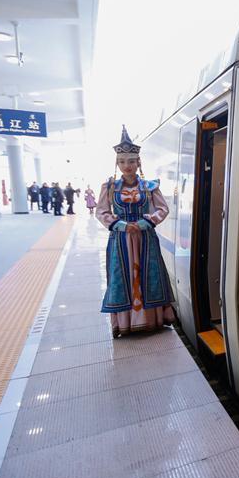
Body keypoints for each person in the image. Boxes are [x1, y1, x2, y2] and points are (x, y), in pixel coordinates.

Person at [97, 126, 175, 337]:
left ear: (138, 162)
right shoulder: (110, 187)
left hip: (145, 238)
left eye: (131, 161)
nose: (127, 166)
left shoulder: (150, 186)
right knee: (122, 278)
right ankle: (125, 324)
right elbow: (101, 211)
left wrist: (145, 222)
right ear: (117, 163)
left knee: (149, 276)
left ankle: (153, 320)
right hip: (121, 239)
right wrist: (121, 225)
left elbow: (163, 209)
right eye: (122, 162)